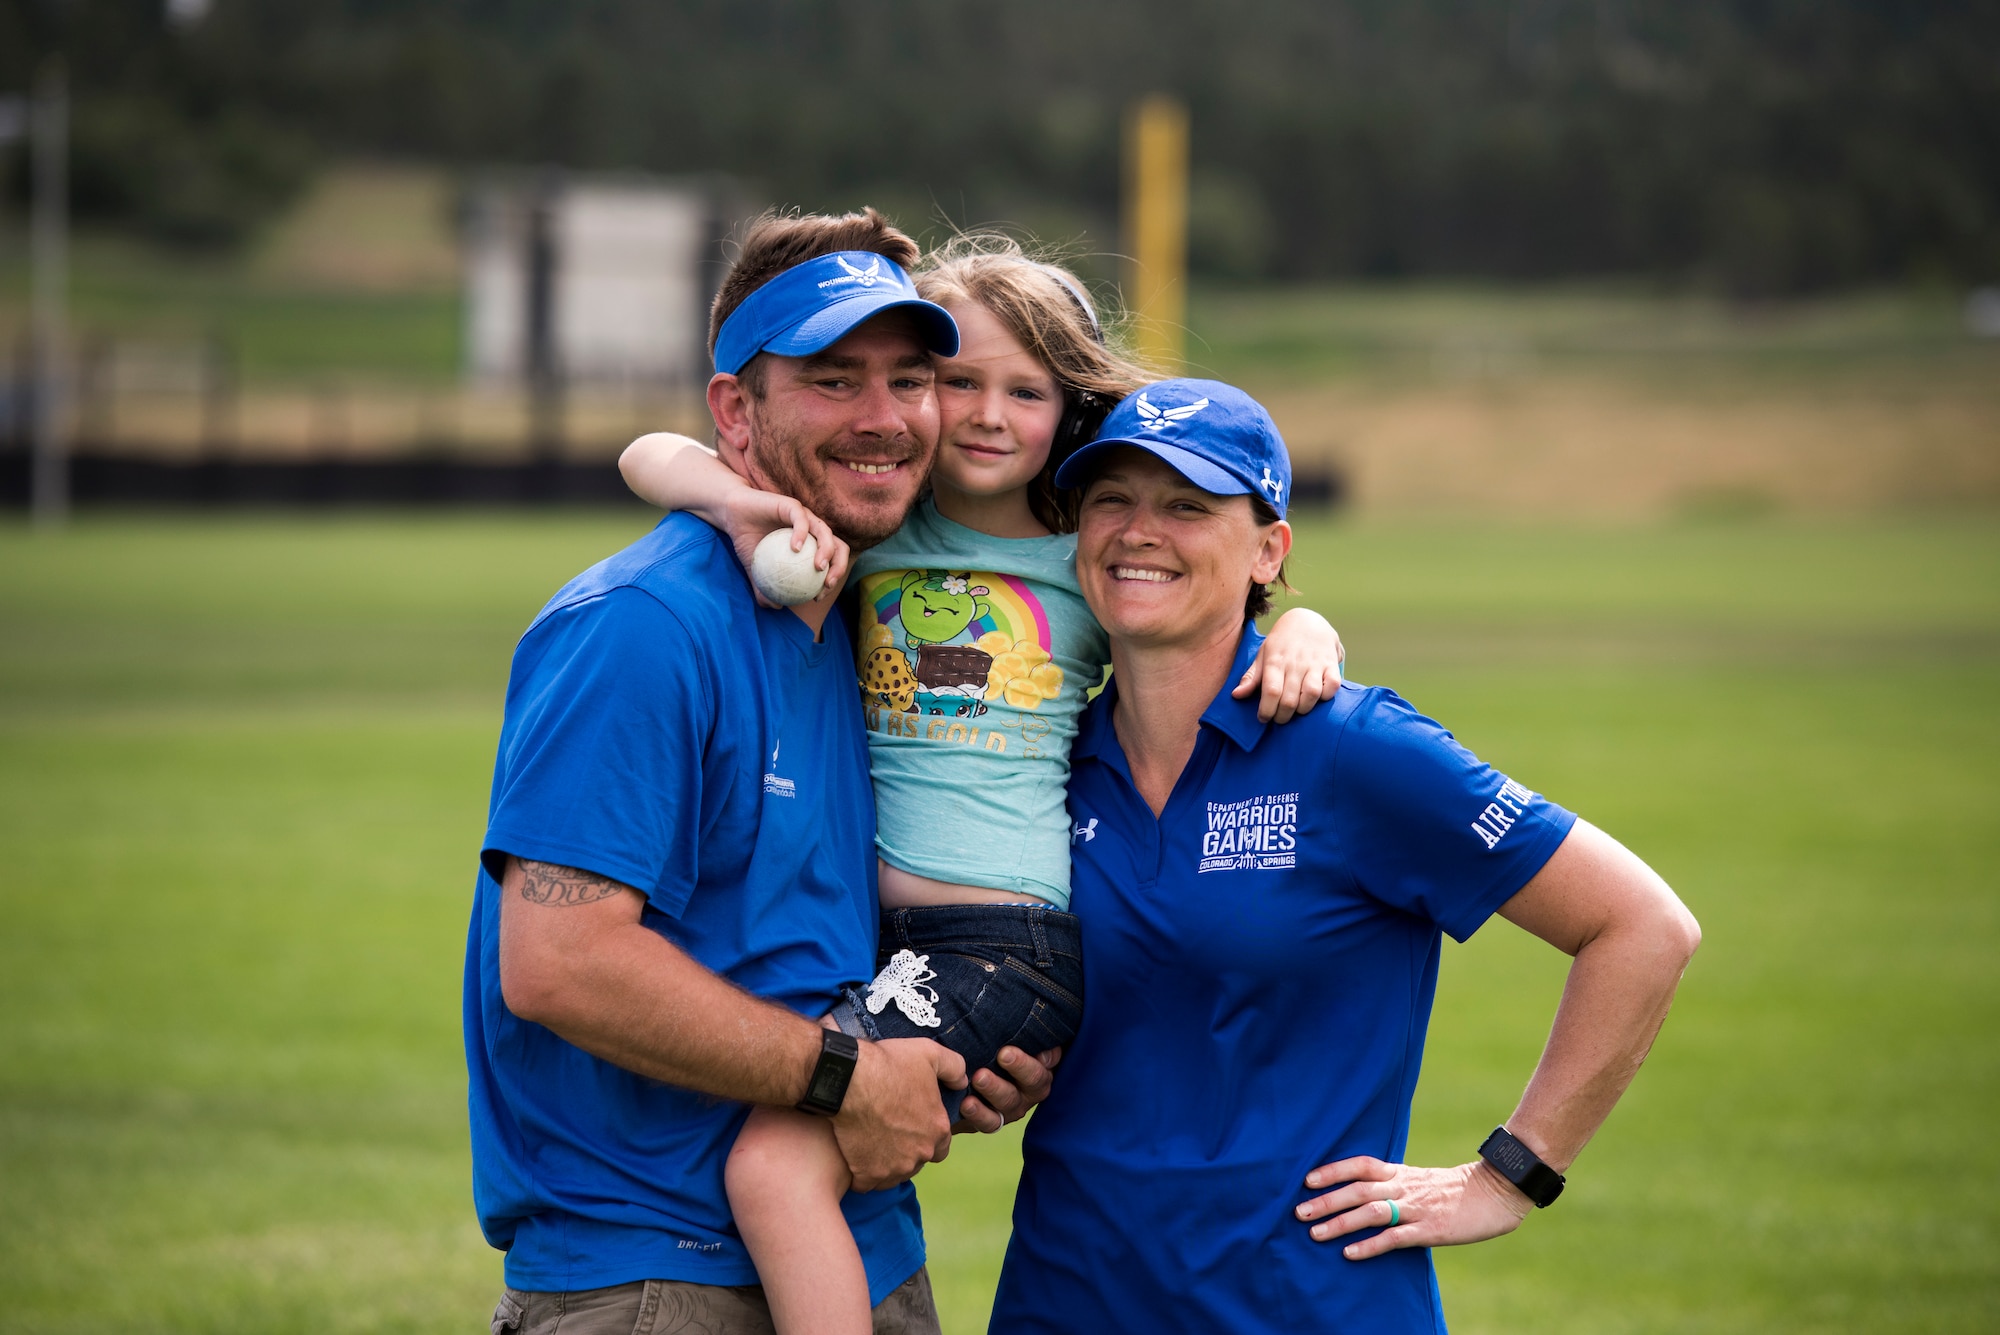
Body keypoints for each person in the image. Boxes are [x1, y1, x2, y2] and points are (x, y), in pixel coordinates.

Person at [618, 237, 1348, 1335]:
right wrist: (732, 506)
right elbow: (645, 454)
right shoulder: (869, 530)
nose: (988, 414)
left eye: (1027, 391)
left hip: (998, 944)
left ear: (1071, 410)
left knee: (774, 1167)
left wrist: (1302, 624)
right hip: (893, 938)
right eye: (956, 383)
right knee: (784, 1144)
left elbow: (1223, 603)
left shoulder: (1087, 560)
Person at [987, 377, 1703, 1332]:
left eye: (1189, 506)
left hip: (1305, 1303)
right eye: (1112, 498)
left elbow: (1643, 926)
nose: (1139, 530)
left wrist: (1509, 1176)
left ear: (1268, 549)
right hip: (1065, 1296)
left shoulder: (1354, 748)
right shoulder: (1042, 757)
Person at [465, 209, 1057, 1335]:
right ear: (736, 411)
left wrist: (953, 1052)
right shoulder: (644, 625)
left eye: (910, 379)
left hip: (857, 1244)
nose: (885, 419)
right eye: (834, 381)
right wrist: (844, 1076)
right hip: (655, 1279)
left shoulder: (866, 617)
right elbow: (556, 964)